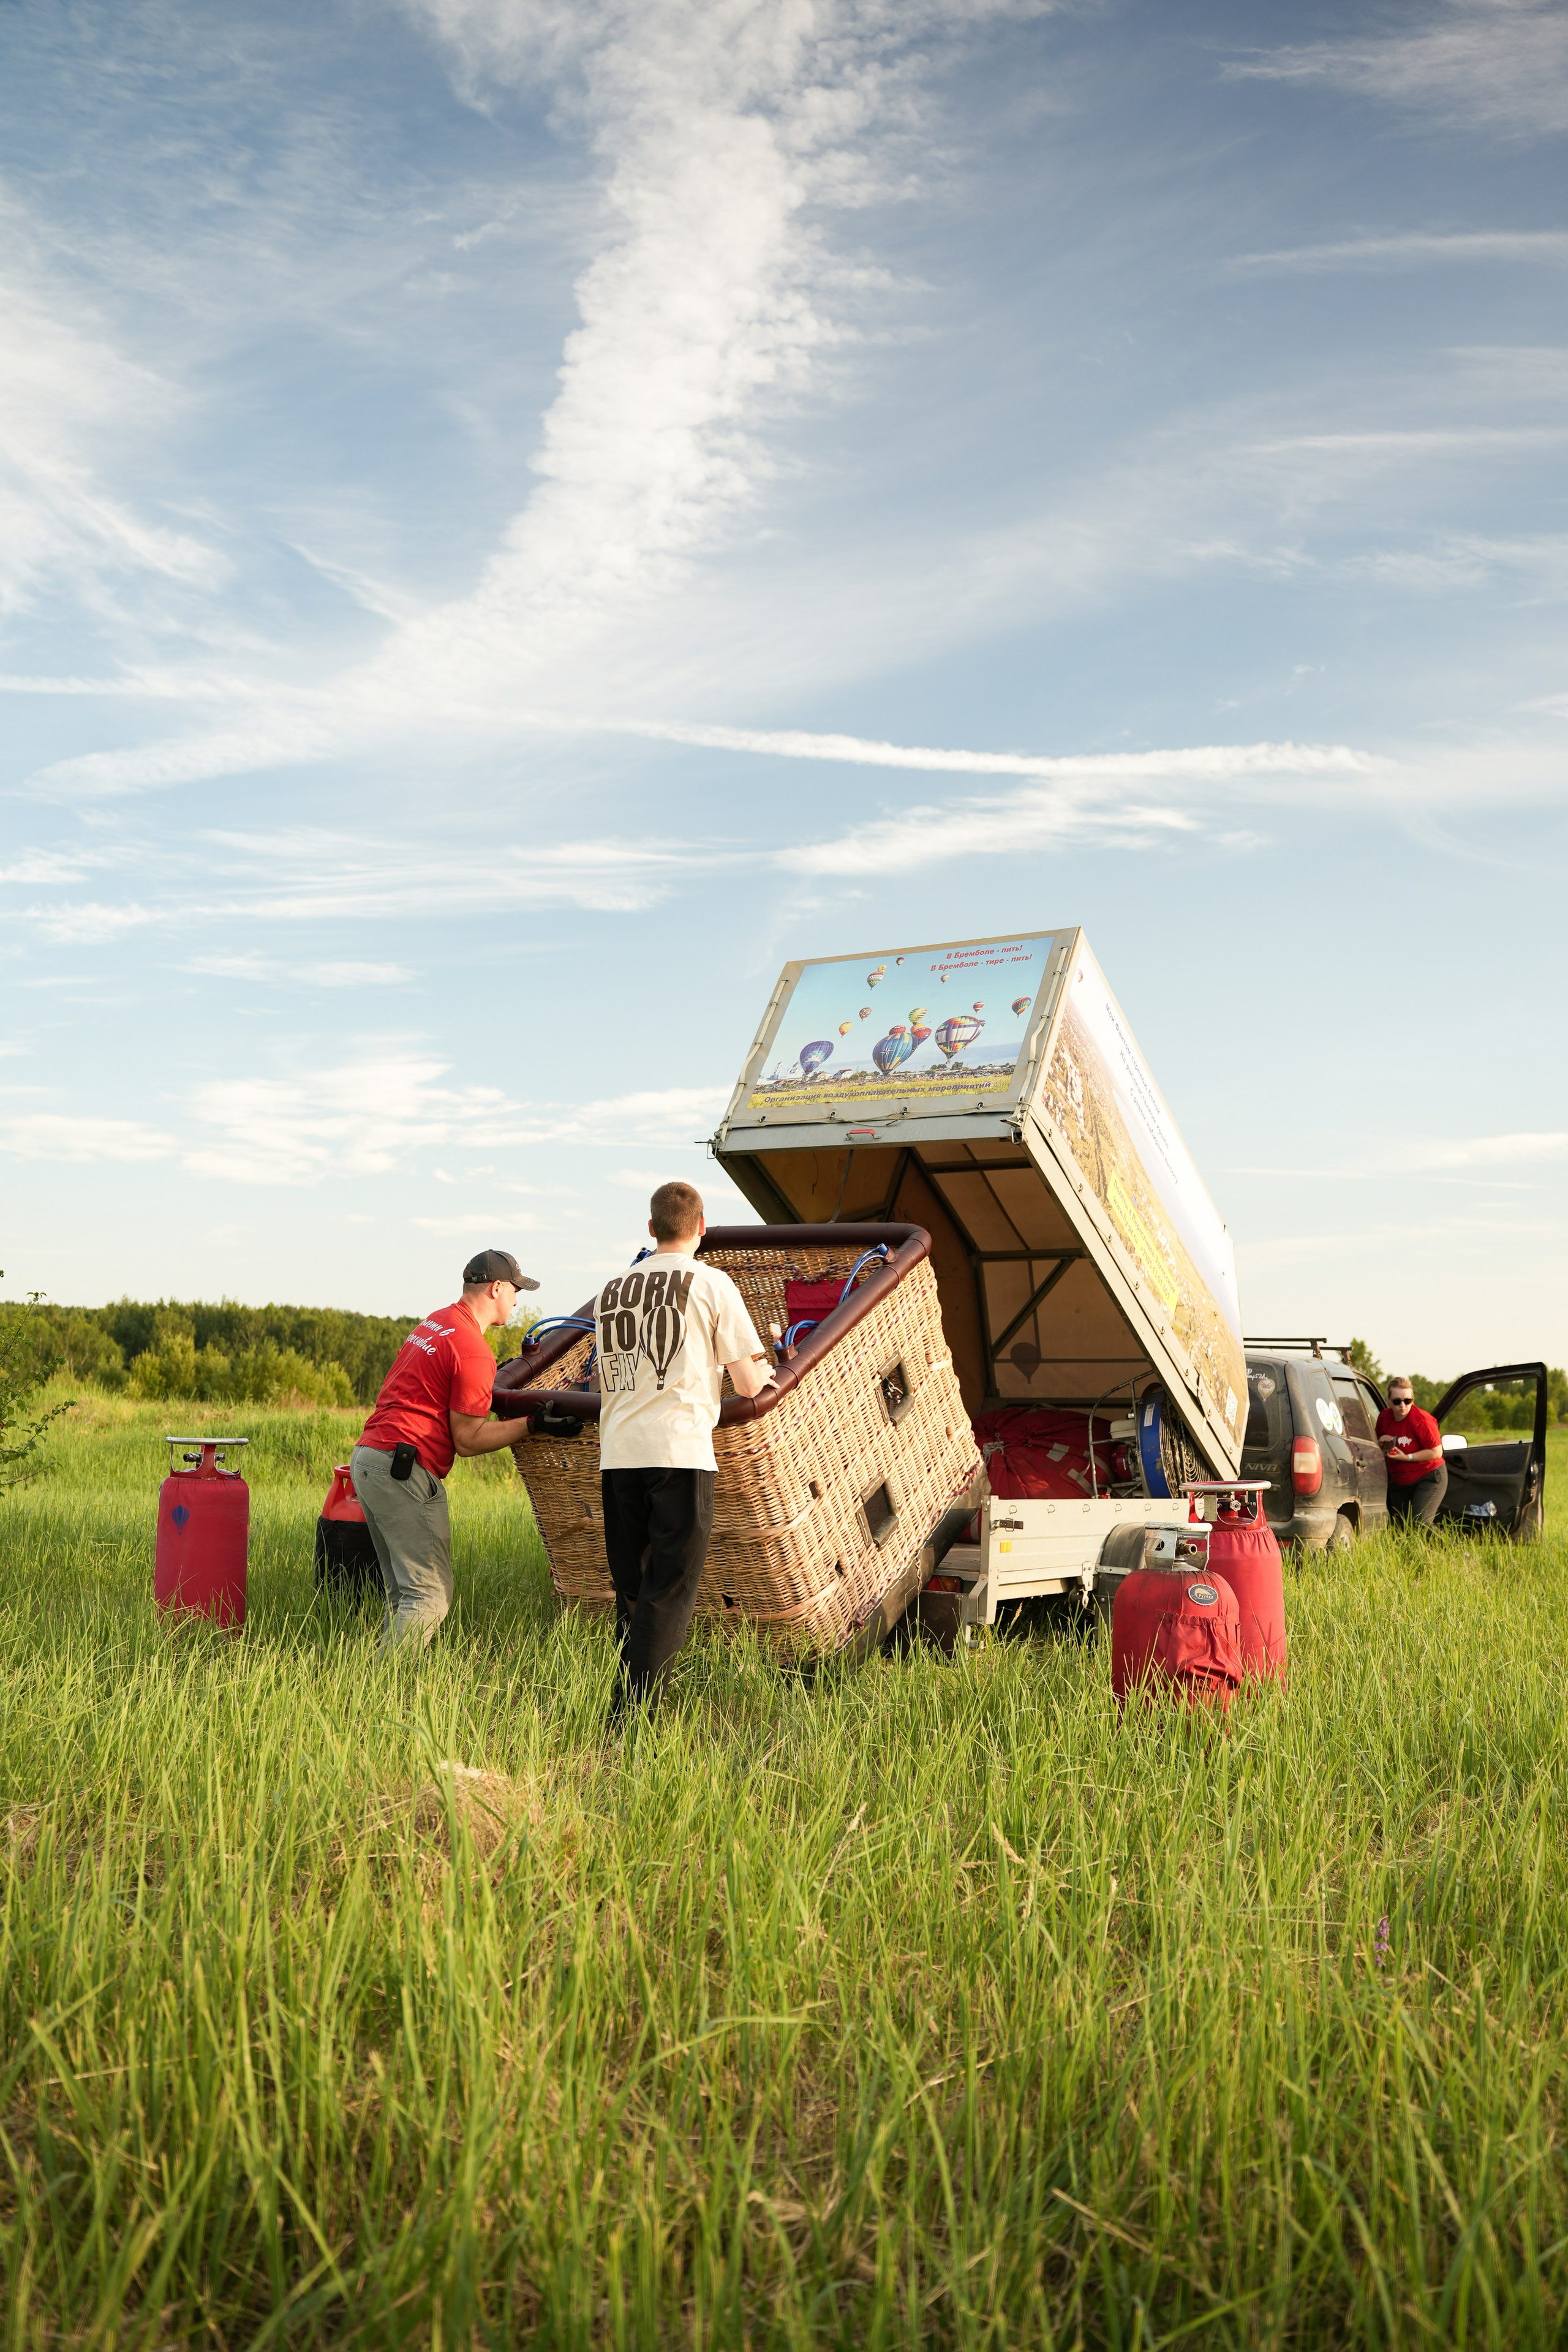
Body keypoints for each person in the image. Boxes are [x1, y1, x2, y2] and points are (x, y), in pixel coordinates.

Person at [595, 1181, 774, 1721]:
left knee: (635, 1592)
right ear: (701, 1227)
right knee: (669, 1593)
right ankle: (631, 1720)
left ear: (651, 1230)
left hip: (618, 1455)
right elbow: (746, 1384)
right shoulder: (713, 1284)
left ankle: (625, 1704)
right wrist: (767, 1368)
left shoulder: (613, 1290)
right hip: (679, 1453)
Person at [351, 1249, 539, 1649]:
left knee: (404, 1595)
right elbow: (468, 1440)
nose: (518, 1300)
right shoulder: (473, 1349)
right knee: (428, 1599)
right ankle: (374, 1692)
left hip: (370, 1459)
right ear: (497, 1288)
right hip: (404, 1470)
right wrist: (532, 1424)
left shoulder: (437, 1321)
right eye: (516, 1291)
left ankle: (373, 1688)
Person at [1376, 1375, 1448, 1529]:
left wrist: (1406, 1457)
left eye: (1408, 1401)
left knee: (1420, 1523)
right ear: (1389, 1401)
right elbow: (1375, 1445)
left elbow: (1437, 1452)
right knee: (1400, 1528)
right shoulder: (1384, 1418)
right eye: (1397, 1401)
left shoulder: (1422, 1420)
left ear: (1412, 1400)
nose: (1403, 1406)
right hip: (1400, 1482)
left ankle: (1454, 1551)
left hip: (1428, 1476)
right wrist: (1382, 1442)